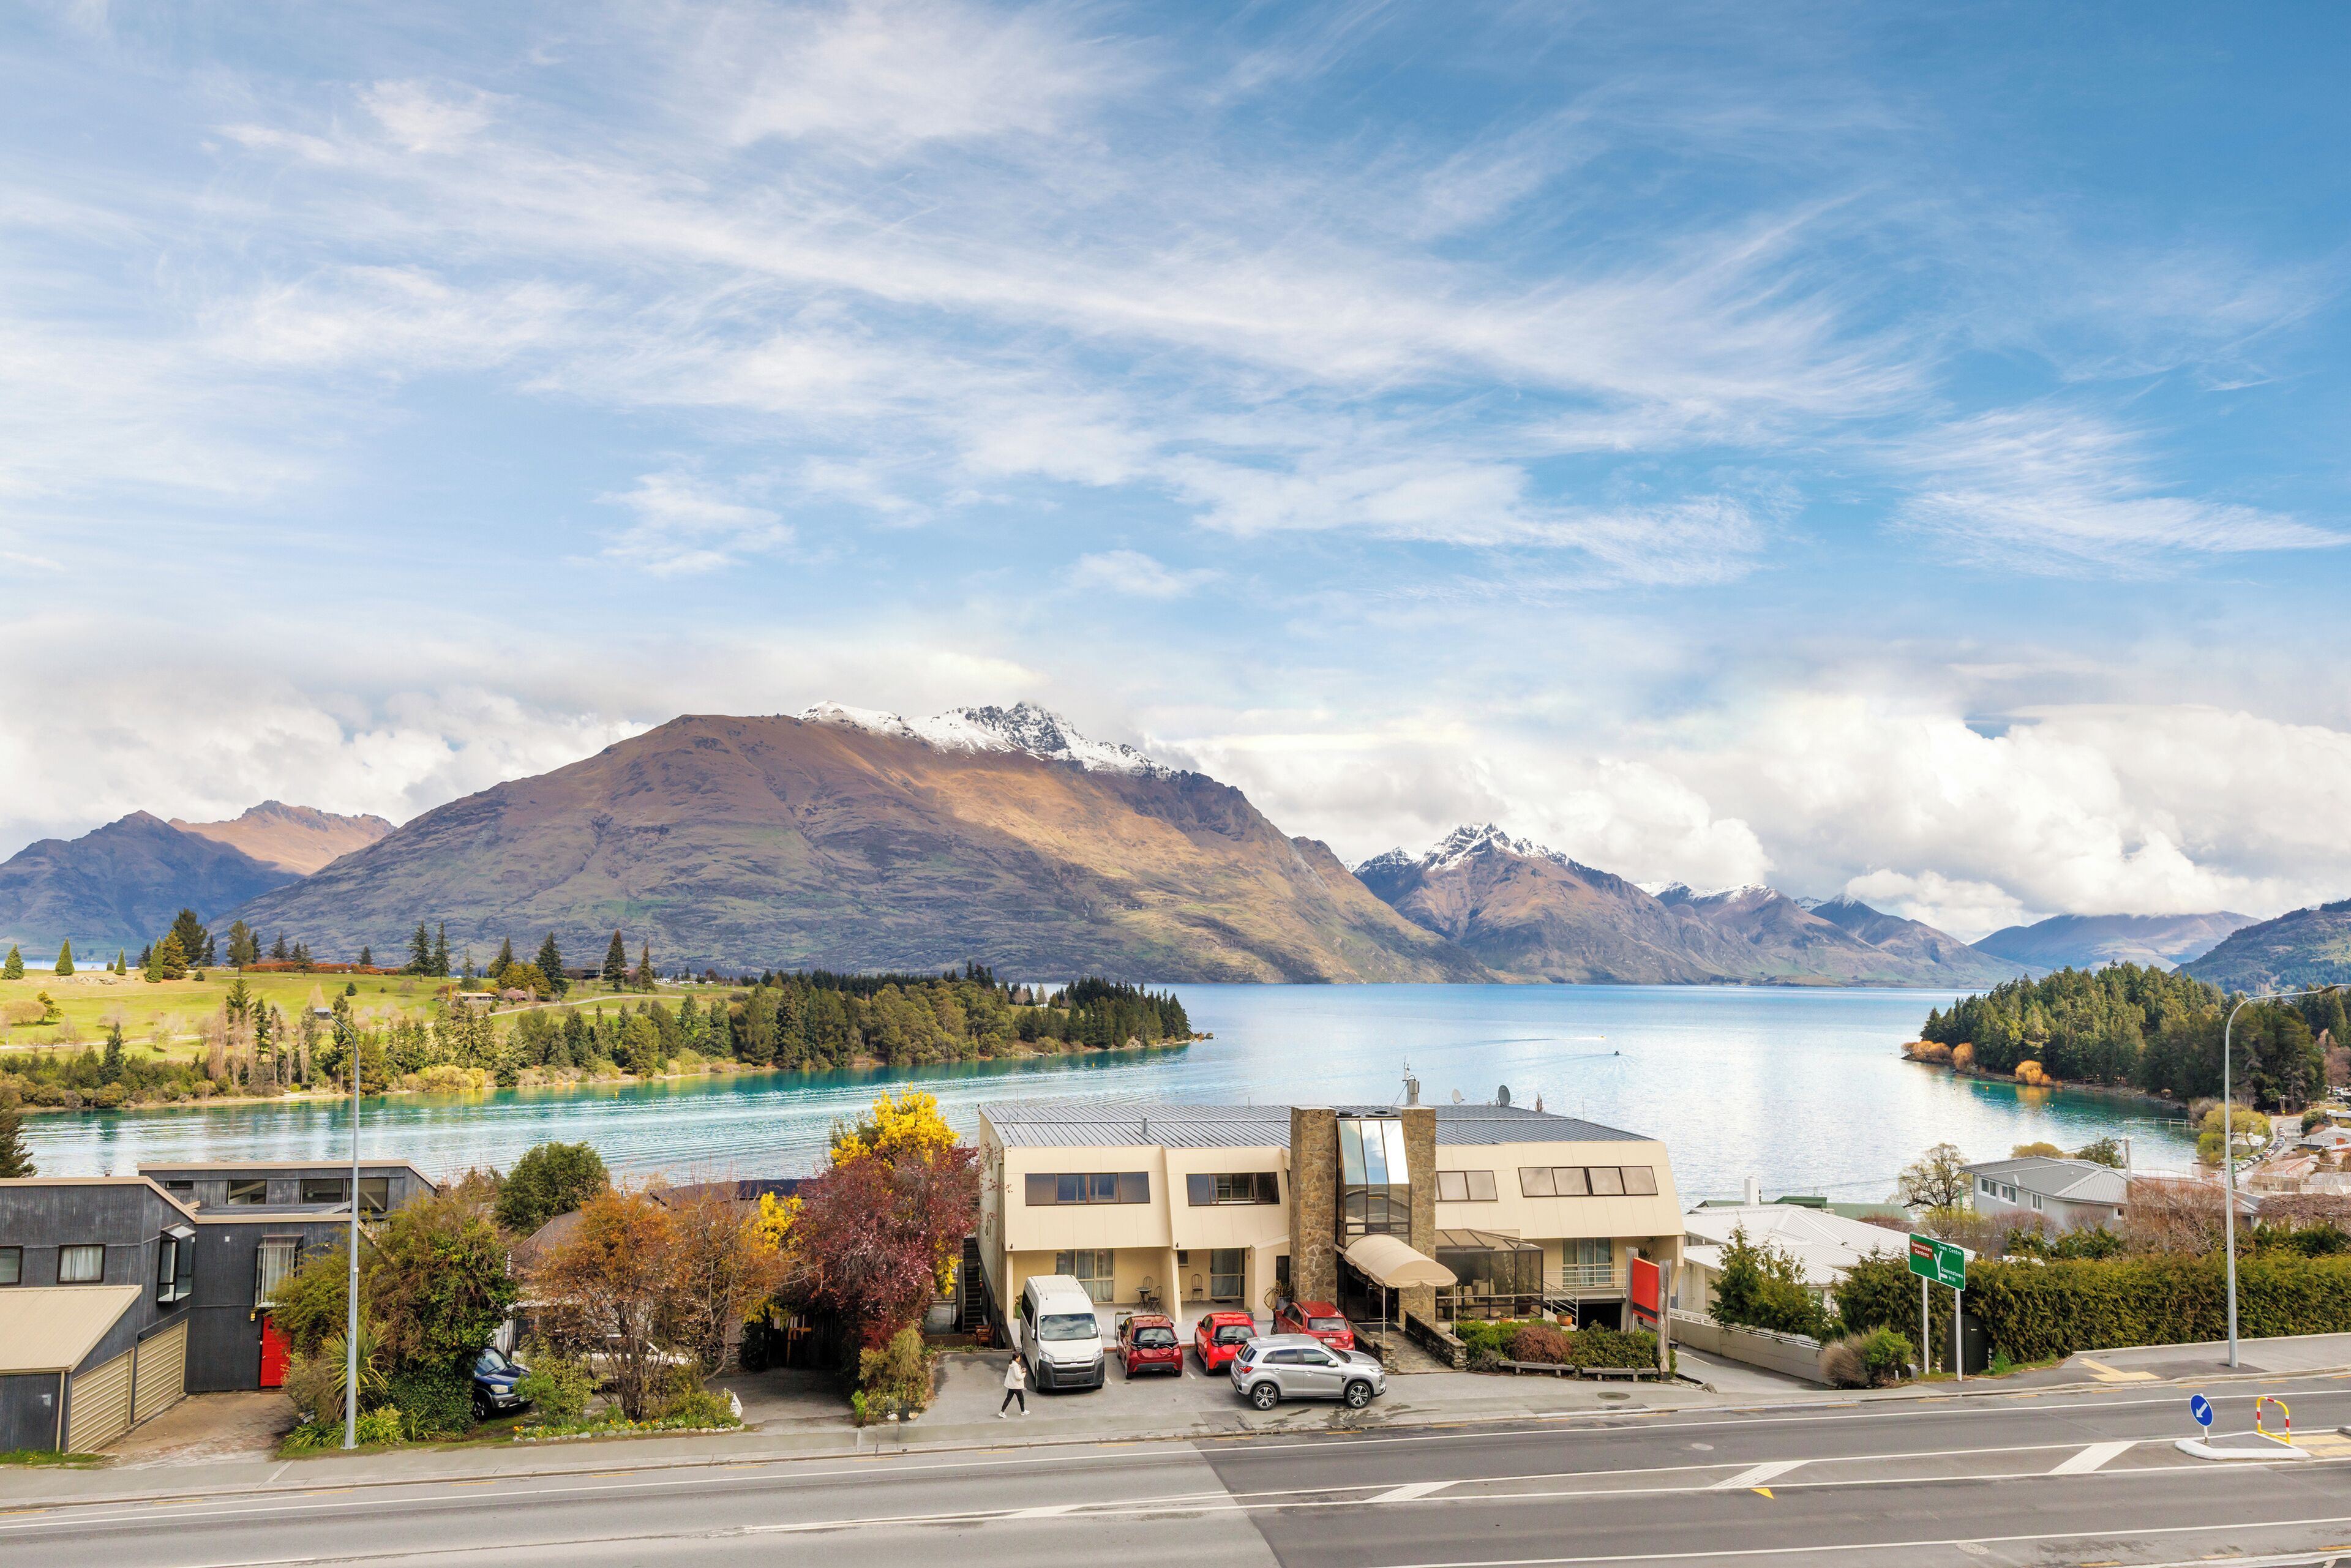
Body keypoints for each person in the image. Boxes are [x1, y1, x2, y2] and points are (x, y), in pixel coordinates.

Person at [999, 1352, 1028, 1417]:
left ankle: (1002, 1411)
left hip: (1012, 1385)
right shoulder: (1016, 1366)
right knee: (1021, 1399)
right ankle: (1023, 1411)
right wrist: (1024, 1374)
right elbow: (1018, 1377)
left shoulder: (1012, 1364)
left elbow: (1015, 1374)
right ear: (1016, 1359)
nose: (1020, 1359)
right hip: (1016, 1386)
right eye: (1019, 1358)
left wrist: (1021, 1370)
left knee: (1008, 1398)